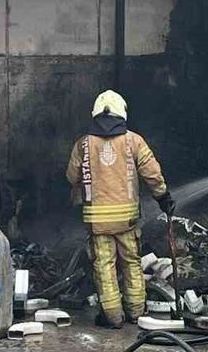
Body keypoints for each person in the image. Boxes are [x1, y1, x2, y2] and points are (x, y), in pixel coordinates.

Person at [66, 90, 173, 328]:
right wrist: (163, 197)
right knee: (132, 263)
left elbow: (72, 176)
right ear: (122, 113)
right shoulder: (134, 141)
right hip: (127, 222)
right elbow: (152, 174)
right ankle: (136, 313)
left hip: (98, 223)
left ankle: (113, 317)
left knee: (104, 267)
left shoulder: (83, 144)